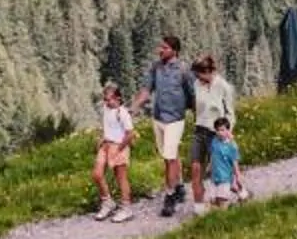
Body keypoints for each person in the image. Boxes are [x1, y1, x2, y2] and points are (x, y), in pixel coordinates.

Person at [143, 35, 193, 217]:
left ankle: (170, 196)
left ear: (174, 50)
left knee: (170, 157)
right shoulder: (156, 67)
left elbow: (192, 95)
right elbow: (146, 90)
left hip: (175, 119)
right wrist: (132, 108)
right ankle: (179, 187)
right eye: (160, 47)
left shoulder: (183, 70)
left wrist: (198, 118)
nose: (160, 50)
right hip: (158, 118)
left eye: (164, 48)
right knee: (168, 157)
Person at [189, 54, 238, 208]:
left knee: (218, 170)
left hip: (216, 133)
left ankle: (234, 192)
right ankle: (198, 206)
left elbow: (230, 113)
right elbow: (196, 107)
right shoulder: (197, 84)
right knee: (196, 167)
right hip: (199, 131)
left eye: (201, 74)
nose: (198, 77)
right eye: (197, 74)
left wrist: (227, 132)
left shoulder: (223, 86)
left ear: (210, 71)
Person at [93, 83, 135, 221]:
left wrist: (119, 149)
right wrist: (102, 137)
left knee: (120, 178)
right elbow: (108, 126)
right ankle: (107, 202)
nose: (107, 102)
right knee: (97, 174)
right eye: (105, 99)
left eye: (110, 99)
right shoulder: (106, 109)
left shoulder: (122, 113)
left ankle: (126, 208)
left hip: (119, 146)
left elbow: (130, 134)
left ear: (118, 98)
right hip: (106, 145)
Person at [207, 116, 245, 203]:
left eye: (222, 130)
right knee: (213, 200)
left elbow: (235, 162)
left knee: (221, 200)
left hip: (225, 177)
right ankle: (242, 193)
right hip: (215, 176)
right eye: (218, 130)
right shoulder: (214, 141)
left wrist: (238, 176)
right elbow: (213, 154)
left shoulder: (231, 146)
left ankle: (227, 208)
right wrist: (209, 165)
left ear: (228, 130)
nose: (220, 133)